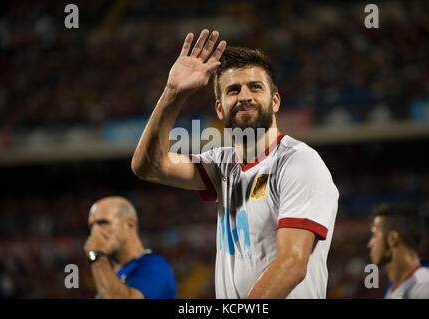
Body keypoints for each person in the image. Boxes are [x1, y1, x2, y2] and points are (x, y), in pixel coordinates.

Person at [131, 29, 339, 298]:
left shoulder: (298, 161)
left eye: (255, 87)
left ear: (275, 101)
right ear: (219, 108)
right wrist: (174, 92)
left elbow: (292, 264)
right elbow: (149, 166)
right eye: (233, 90)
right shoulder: (223, 163)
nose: (244, 96)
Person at [84, 196, 177, 299]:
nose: (95, 232)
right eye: (91, 226)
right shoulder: (111, 276)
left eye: (103, 223)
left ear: (130, 224)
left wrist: (97, 256)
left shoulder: (154, 265)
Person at [368, 204, 429, 299]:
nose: (370, 244)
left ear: (392, 238)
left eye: (374, 235)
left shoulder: (425, 286)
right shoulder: (394, 288)